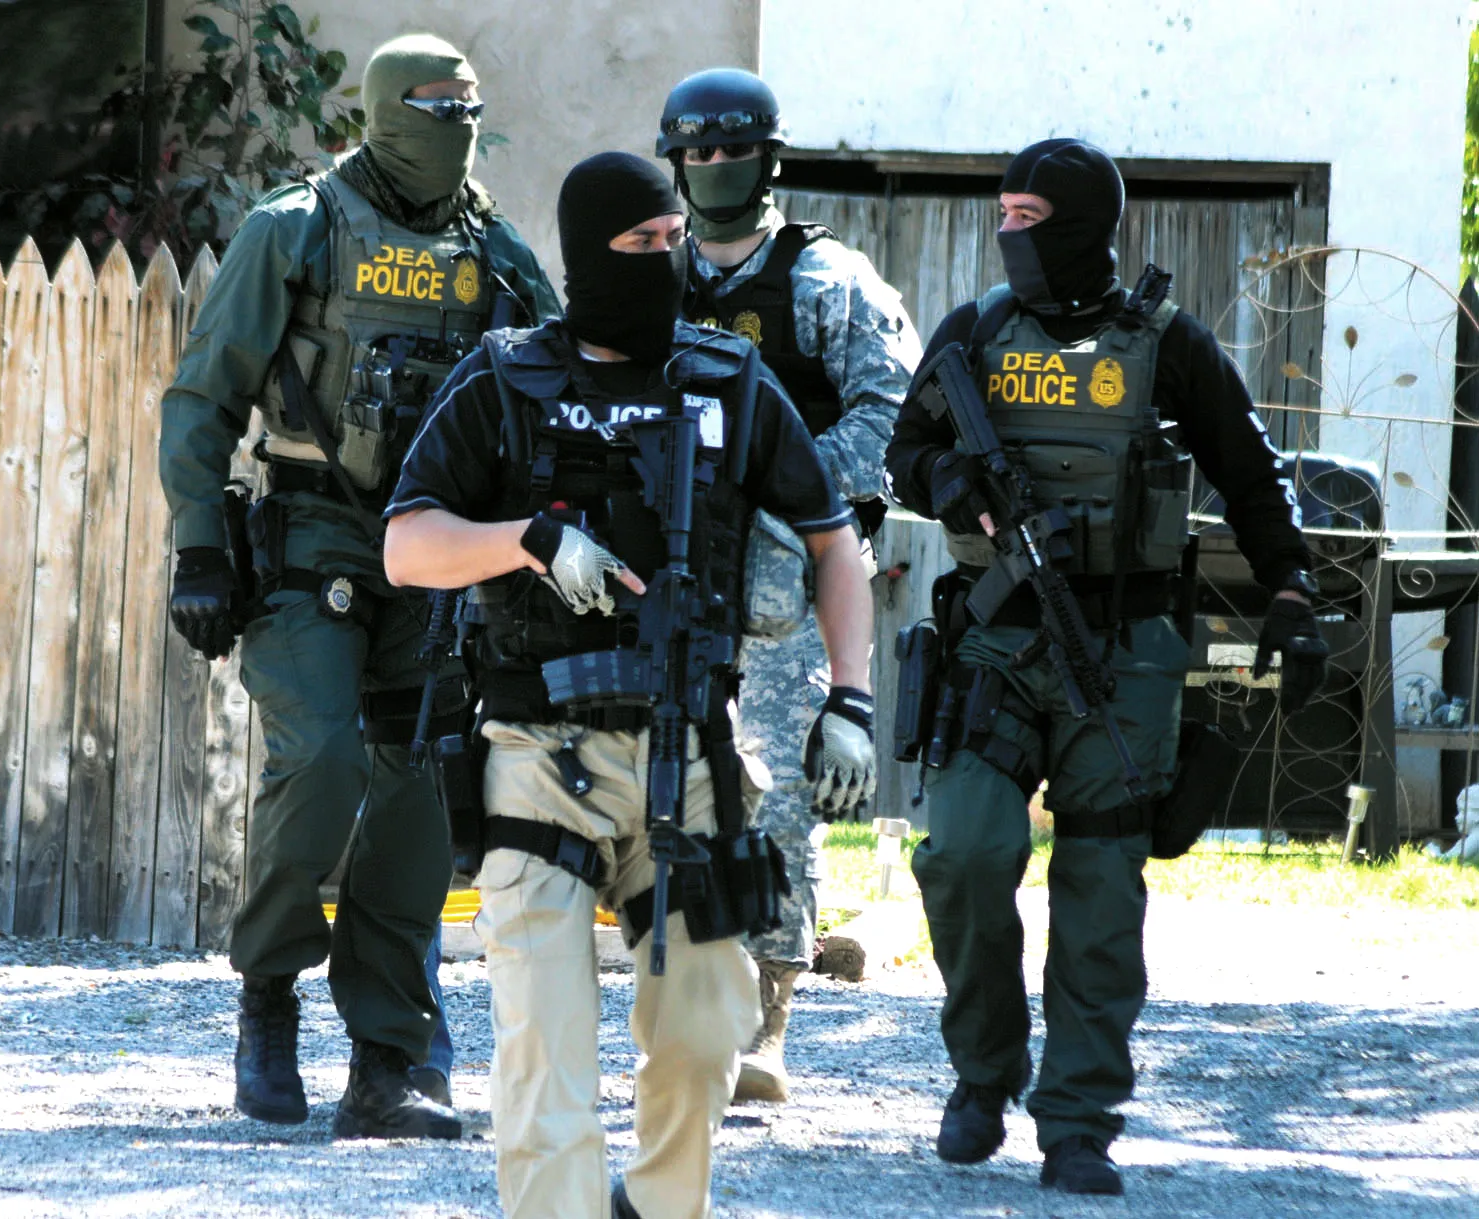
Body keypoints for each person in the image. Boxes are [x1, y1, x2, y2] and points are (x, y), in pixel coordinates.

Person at [383, 151, 876, 1219]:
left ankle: (654, 1206)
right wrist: (528, 539)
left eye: (673, 240)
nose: (665, 258)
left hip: (690, 753)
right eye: (639, 243)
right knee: (545, 1051)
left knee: (705, 1034)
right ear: (587, 256)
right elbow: (407, 546)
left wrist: (850, 699)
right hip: (536, 756)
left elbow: (834, 539)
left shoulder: (728, 379)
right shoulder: (504, 379)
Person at [883, 138, 1327, 1195]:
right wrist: (946, 477)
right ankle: (982, 1075)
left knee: (1099, 890)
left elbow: (1250, 473)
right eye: (1003, 214)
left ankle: (1077, 1120)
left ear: (1084, 225)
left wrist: (1292, 590)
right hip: (995, 640)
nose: (1009, 234)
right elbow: (902, 452)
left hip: (1125, 653)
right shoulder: (974, 333)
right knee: (963, 851)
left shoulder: (1168, 345)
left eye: (1029, 217)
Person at [159, 32, 558, 1138]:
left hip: (435, 554)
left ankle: (388, 1059)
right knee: (324, 758)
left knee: (419, 789)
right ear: (384, 110)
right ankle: (269, 989)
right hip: (312, 536)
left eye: (470, 107)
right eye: (436, 106)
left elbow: (549, 394)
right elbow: (203, 397)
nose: (457, 125)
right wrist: (199, 547)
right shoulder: (297, 228)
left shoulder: (496, 253)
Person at [656, 67, 920, 1102]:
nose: (714, 166)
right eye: (698, 150)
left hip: (782, 580)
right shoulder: (651, 272)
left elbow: (891, 416)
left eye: (734, 149)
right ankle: (682, 1008)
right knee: (662, 791)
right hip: (666, 573)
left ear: (769, 160)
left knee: (774, 798)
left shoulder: (829, 281)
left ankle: (767, 1018)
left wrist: (786, 493)